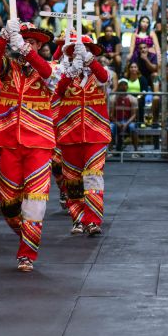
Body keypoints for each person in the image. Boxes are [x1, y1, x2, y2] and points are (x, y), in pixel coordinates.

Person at [0, 20, 55, 272]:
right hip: (9, 142)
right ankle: (28, 233)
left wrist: (26, 51)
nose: (29, 44)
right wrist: (4, 38)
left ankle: (27, 252)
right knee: (8, 204)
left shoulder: (49, 68)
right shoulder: (10, 67)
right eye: (26, 40)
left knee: (35, 202)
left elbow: (49, 75)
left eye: (34, 42)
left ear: (40, 46)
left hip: (39, 143)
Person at [54, 35, 112, 236]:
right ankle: (78, 218)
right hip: (69, 133)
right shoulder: (65, 73)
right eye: (79, 49)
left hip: (96, 133)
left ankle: (93, 220)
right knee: (73, 180)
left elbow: (104, 78)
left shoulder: (99, 72)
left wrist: (88, 59)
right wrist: (72, 69)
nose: (81, 51)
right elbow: (59, 91)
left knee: (94, 177)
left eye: (87, 48)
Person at [110, 79, 140, 155]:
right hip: (116, 121)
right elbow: (111, 115)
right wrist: (118, 123)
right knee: (110, 127)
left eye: (125, 84)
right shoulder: (113, 98)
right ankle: (110, 150)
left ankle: (136, 151)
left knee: (133, 127)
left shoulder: (133, 99)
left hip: (128, 121)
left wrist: (126, 124)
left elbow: (134, 115)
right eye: (121, 85)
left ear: (127, 86)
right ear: (118, 86)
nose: (123, 86)